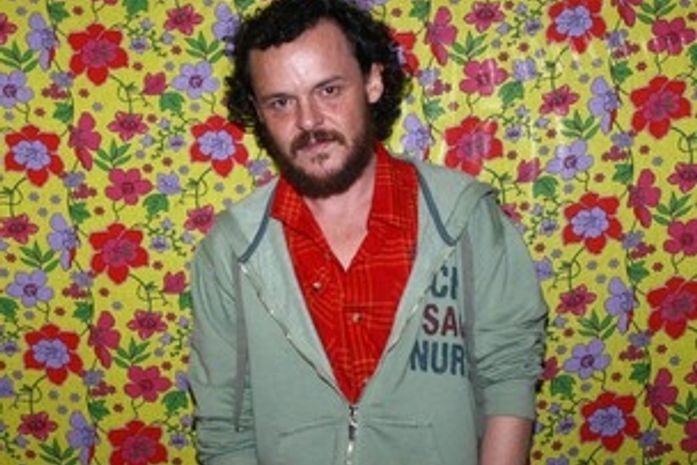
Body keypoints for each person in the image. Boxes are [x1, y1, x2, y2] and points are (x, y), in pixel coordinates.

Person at [188, 1, 547, 464]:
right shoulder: (232, 249)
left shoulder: (464, 217)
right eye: (281, 102)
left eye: (329, 90)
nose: (308, 121)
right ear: (258, 111)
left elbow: (508, 379)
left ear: (372, 82)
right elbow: (224, 428)